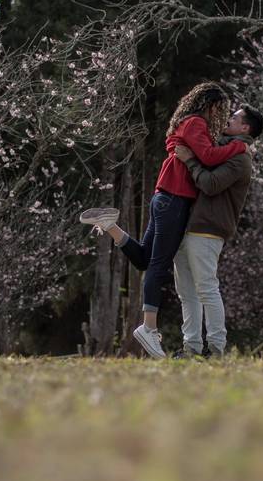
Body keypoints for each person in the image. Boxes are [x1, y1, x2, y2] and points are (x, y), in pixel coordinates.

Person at [79, 82, 246, 358]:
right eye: (220, 109)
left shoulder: (187, 123)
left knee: (144, 259)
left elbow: (200, 154)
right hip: (176, 199)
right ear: (211, 105)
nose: (221, 115)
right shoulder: (195, 123)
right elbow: (208, 156)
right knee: (158, 264)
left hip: (164, 197)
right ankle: (148, 327)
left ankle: (110, 225)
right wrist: (239, 147)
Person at [172, 104, 263, 358]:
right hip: (192, 227)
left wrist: (189, 160)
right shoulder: (223, 149)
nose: (228, 118)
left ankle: (216, 349)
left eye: (234, 117)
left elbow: (211, 184)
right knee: (186, 292)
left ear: (245, 128)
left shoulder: (240, 159)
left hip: (208, 229)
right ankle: (190, 347)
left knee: (206, 289)